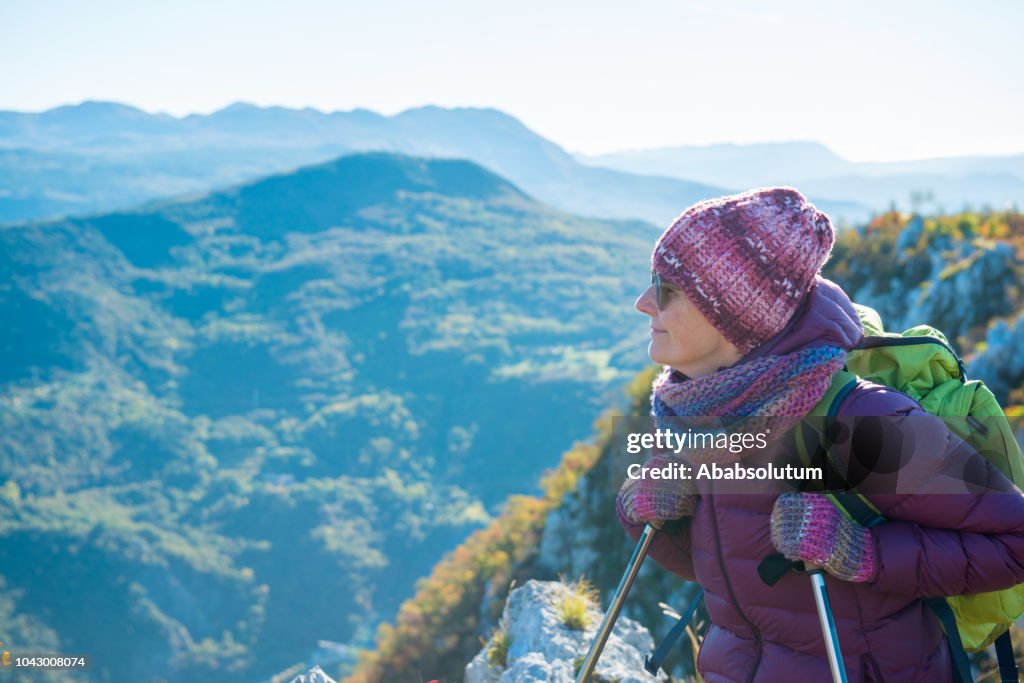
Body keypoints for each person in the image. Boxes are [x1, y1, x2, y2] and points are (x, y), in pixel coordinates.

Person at [615, 187, 1024, 682]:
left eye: (666, 288)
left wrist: (862, 553)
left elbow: (1014, 544)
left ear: (735, 313)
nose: (643, 303)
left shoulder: (861, 421)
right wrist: (643, 512)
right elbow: (728, 576)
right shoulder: (695, 409)